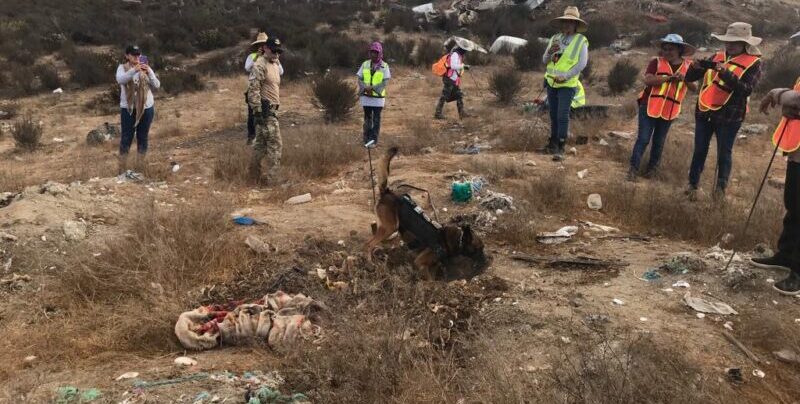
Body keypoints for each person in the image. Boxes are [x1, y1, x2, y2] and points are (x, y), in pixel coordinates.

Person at [683, 22, 763, 200]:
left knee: (724, 153)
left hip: (730, 116)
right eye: (728, 41)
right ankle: (692, 186)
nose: (730, 44)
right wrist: (694, 68)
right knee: (699, 150)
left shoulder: (754, 63)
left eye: (735, 42)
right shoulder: (717, 56)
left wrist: (724, 72)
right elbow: (689, 78)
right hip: (705, 111)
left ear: (745, 43)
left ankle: (719, 192)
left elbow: (747, 89)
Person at [752, 72, 800, 295]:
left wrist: (776, 93)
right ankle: (787, 255)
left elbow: (796, 99)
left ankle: (798, 273)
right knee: (793, 205)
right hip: (797, 154)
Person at [627, 34, 696, 181]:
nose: (667, 52)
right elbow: (648, 80)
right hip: (649, 105)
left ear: (679, 50)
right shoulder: (656, 62)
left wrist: (685, 79)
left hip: (670, 110)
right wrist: (668, 78)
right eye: (664, 49)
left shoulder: (689, 66)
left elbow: (694, 87)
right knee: (643, 139)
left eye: (670, 49)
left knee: (659, 142)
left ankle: (651, 173)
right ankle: (632, 171)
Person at [541, 6, 589, 161]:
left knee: (562, 115)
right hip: (551, 83)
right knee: (553, 115)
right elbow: (544, 60)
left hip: (567, 85)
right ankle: (552, 144)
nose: (567, 25)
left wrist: (566, 76)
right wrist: (549, 52)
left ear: (576, 25)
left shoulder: (581, 40)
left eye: (571, 22)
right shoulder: (555, 38)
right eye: (565, 22)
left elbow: (582, 64)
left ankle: (561, 146)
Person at [115, 45, 160, 173]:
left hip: (146, 107)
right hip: (128, 109)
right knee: (126, 138)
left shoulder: (146, 68)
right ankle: (122, 168)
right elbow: (120, 80)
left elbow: (156, 85)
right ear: (127, 56)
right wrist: (134, 70)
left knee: (143, 136)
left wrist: (149, 71)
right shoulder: (122, 68)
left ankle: (140, 166)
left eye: (138, 55)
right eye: (134, 55)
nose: (137, 57)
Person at [247, 34, 284, 185]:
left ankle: (253, 176)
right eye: (273, 51)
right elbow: (253, 89)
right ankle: (272, 180)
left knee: (260, 146)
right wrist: (258, 111)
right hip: (265, 111)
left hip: (273, 110)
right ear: (266, 49)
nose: (276, 54)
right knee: (275, 145)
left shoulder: (275, 64)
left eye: (278, 52)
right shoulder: (259, 65)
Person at [245, 33, 283, 145]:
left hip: (268, 91)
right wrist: (257, 56)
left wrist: (276, 60)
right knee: (252, 114)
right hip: (255, 88)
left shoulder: (273, 57)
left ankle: (261, 138)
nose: (261, 46)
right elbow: (247, 67)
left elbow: (281, 71)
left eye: (263, 44)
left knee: (268, 115)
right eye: (260, 45)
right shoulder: (252, 56)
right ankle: (251, 135)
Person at [357, 41, 391, 147]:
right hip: (366, 97)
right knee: (367, 119)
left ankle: (373, 140)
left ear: (379, 53)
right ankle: (366, 139)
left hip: (378, 98)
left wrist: (373, 88)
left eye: (375, 52)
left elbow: (384, 82)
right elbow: (360, 78)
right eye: (372, 52)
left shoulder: (384, 66)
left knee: (376, 120)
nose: (373, 54)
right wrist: (365, 88)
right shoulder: (365, 64)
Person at [434, 38, 471, 120]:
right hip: (449, 78)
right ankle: (437, 113)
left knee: (459, 95)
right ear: (462, 48)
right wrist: (463, 66)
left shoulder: (458, 55)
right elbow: (453, 66)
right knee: (444, 96)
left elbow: (456, 66)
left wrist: (463, 66)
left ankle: (462, 113)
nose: (466, 51)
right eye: (465, 49)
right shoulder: (455, 54)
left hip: (453, 79)